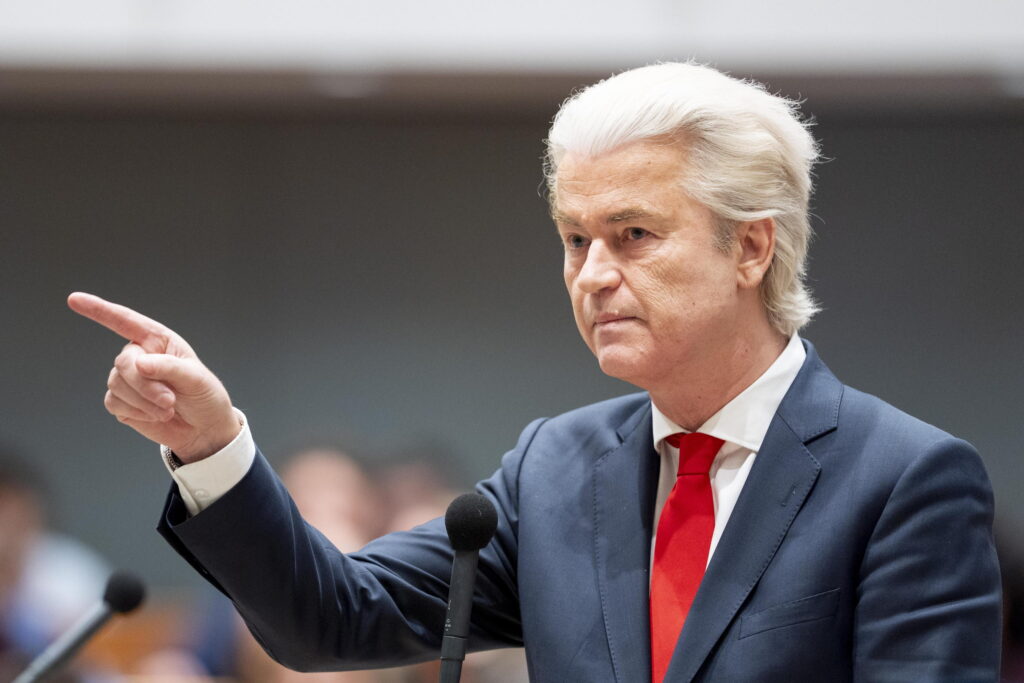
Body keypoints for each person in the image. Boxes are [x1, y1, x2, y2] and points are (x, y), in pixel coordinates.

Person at [67, 62, 1001, 682]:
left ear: (751, 247)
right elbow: (332, 618)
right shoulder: (557, 468)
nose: (593, 275)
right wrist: (212, 445)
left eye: (633, 234)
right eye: (575, 239)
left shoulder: (903, 480)